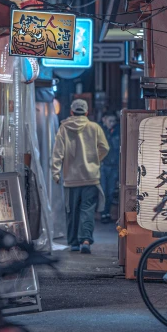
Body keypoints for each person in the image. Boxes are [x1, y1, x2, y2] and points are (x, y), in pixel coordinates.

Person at [51, 98, 109, 254]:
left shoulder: (64, 128)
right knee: (87, 210)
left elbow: (57, 152)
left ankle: (74, 243)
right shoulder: (94, 127)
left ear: (71, 112)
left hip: (71, 179)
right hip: (91, 177)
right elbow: (105, 148)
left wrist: (55, 172)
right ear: (87, 112)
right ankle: (85, 240)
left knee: (72, 211)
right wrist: (95, 159)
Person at [100, 113, 120, 224]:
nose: (112, 123)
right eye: (110, 121)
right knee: (103, 190)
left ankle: (107, 212)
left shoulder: (117, 132)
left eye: (113, 121)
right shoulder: (100, 131)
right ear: (104, 119)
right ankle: (103, 213)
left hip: (113, 166)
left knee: (111, 191)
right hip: (103, 165)